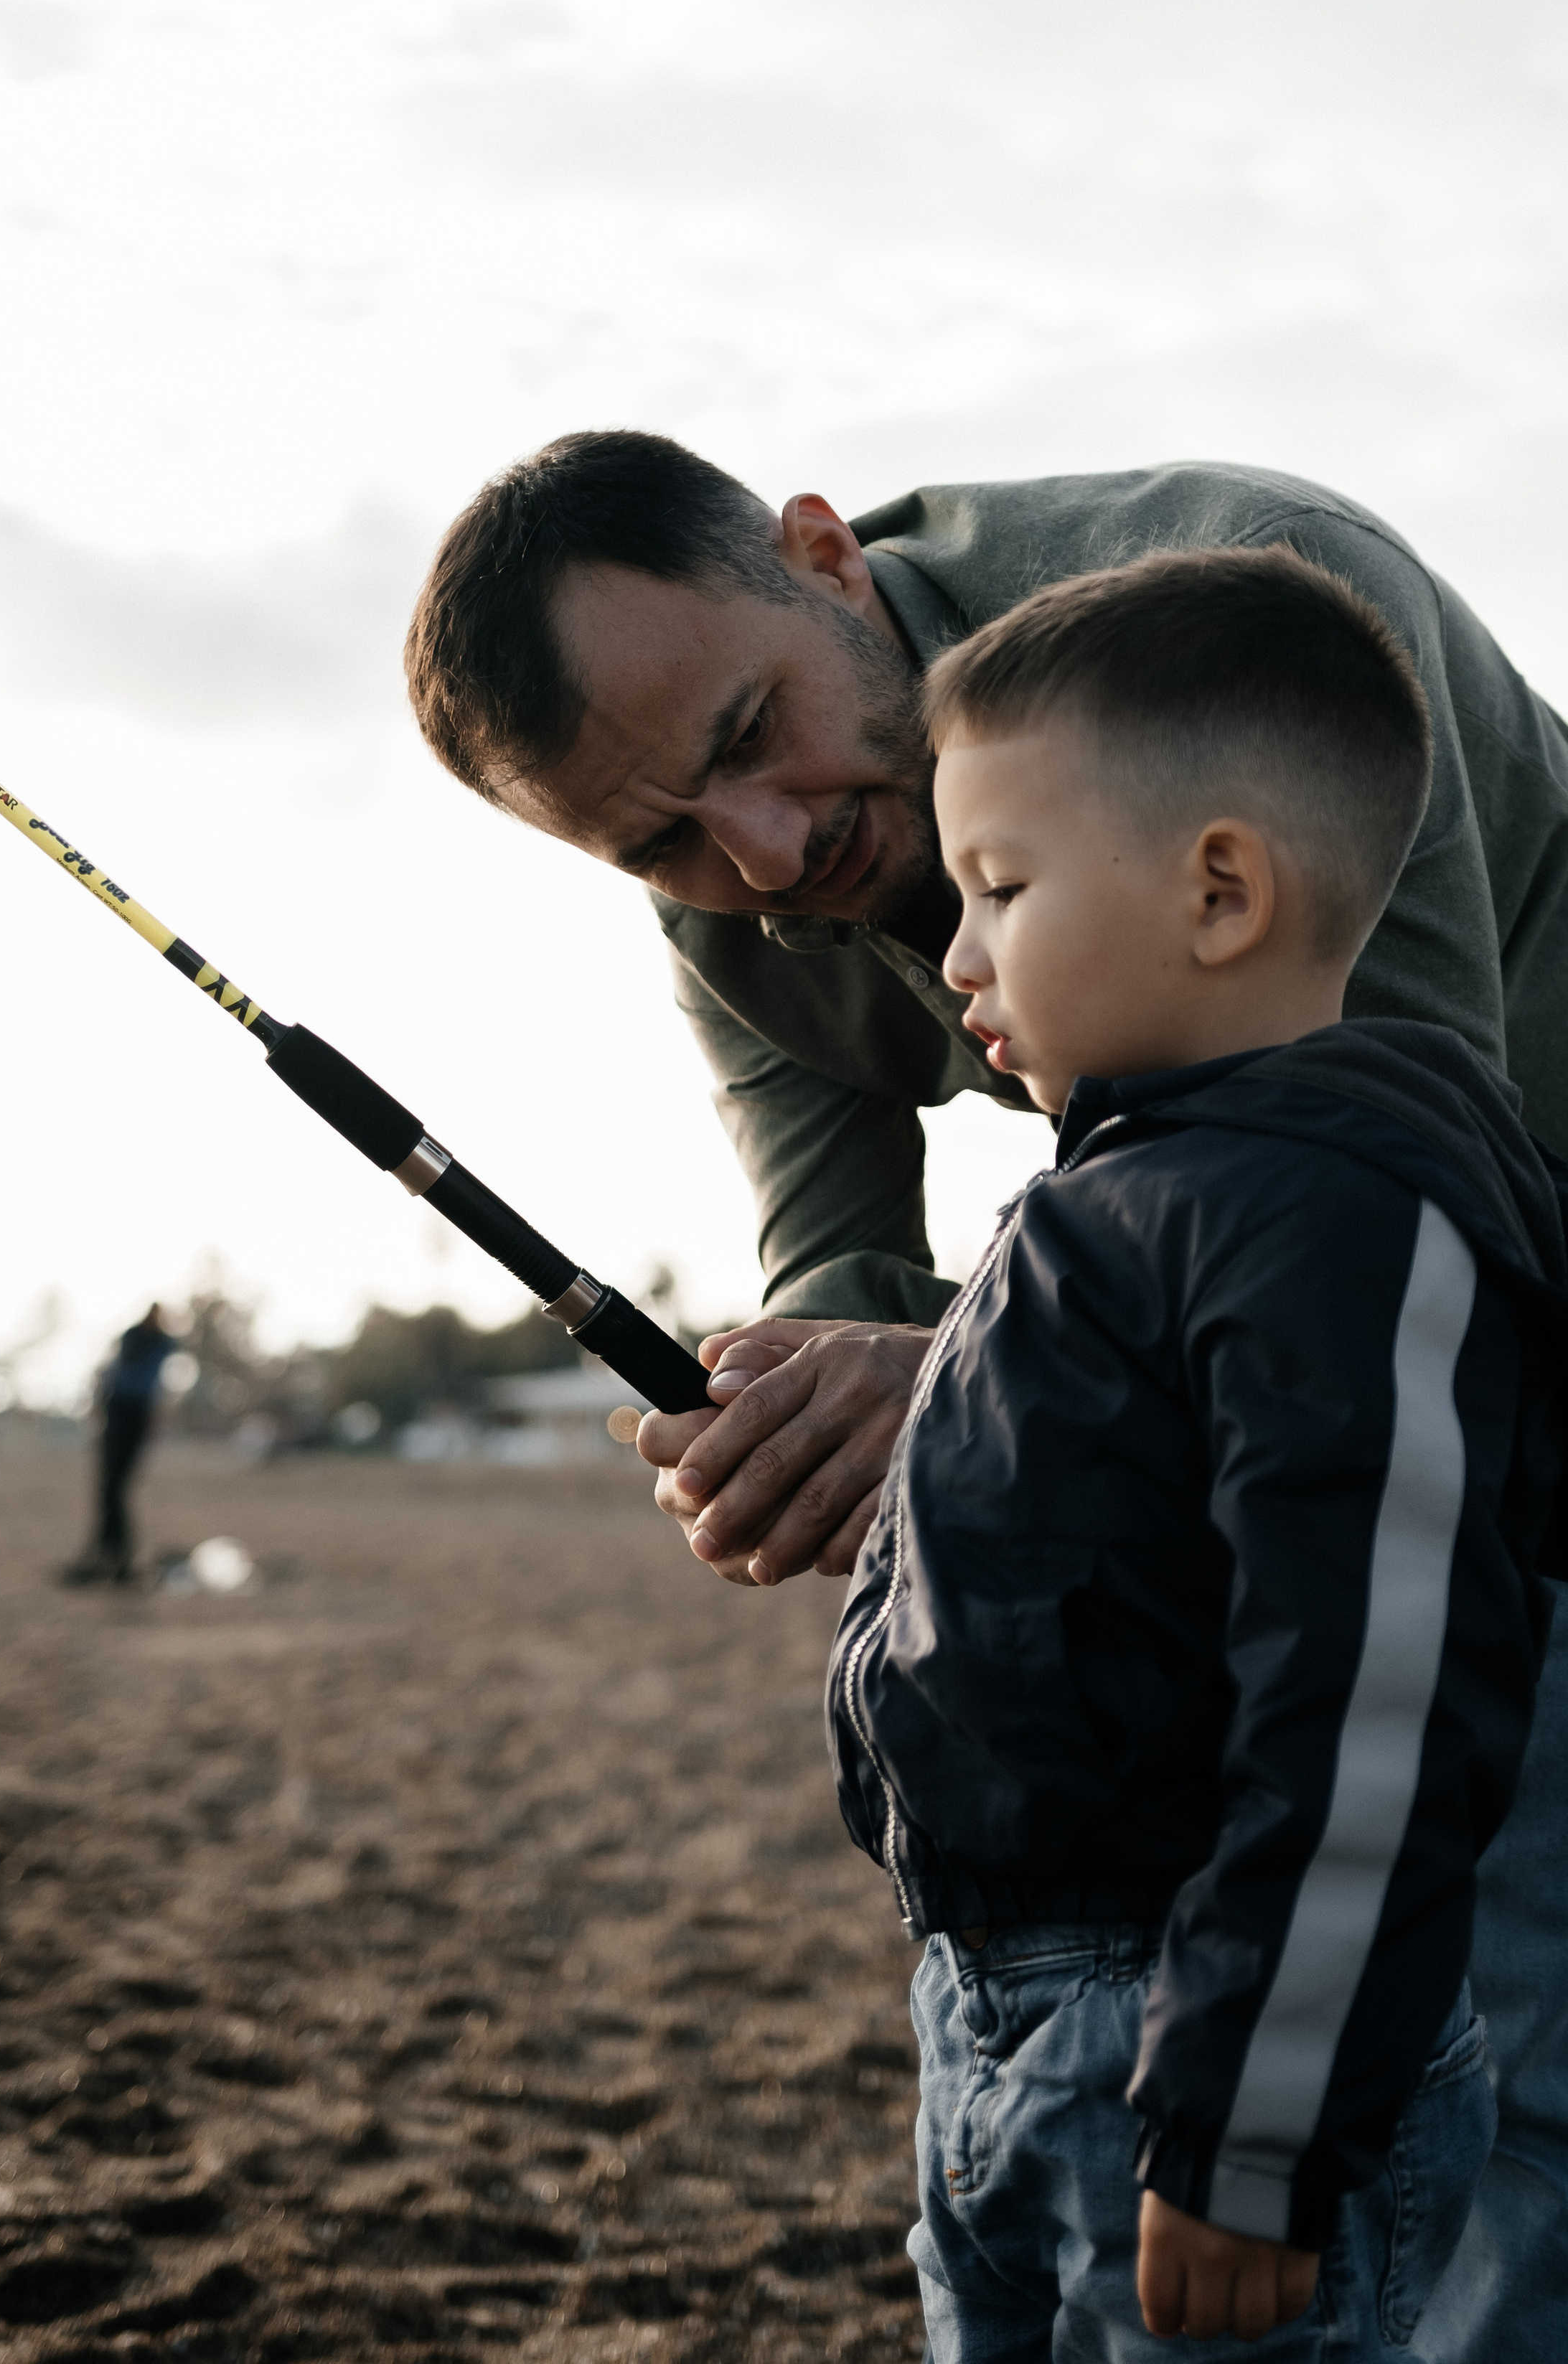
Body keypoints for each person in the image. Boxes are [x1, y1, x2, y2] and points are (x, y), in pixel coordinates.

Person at [403, 429, 1568, 2355]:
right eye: (662, 843)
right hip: (1277, 1348)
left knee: (1490, 2013)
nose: (762, 856)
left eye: (756, 731)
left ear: (819, 556)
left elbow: (1356, 1190)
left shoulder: (1261, 611)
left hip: (1478, 1310)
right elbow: (844, 1283)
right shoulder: (731, 896)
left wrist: (950, 1364)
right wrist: (788, 1414)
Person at [826, 545, 1566, 2355]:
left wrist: (1254, 2131)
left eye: (996, 884)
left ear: (1217, 886)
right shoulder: (1104, 1195)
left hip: (1191, 2043)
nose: (951, 953)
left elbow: (1371, 1706)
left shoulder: (1333, 1216)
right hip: (994, 2007)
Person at [61, 1304, 177, 1586]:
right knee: (111, 1488)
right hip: (124, 1412)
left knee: (114, 1488)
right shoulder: (145, 1341)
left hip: (130, 1413)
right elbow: (117, 1376)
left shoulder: (157, 1344)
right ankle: (111, 1552)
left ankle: (116, 1554)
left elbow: (127, 1379)